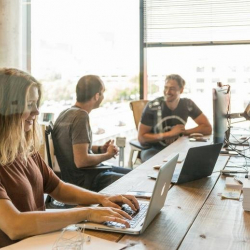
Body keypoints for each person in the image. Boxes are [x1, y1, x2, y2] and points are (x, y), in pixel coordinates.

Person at [0, 68, 139, 248]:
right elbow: (14, 225)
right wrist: (87, 213)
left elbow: (58, 187)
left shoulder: (26, 150)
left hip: (40, 243)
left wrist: (101, 199)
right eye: (29, 104)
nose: (36, 112)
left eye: (36, 103)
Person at [52, 75, 131, 192]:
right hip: (86, 181)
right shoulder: (81, 116)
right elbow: (81, 161)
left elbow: (74, 149)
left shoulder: (65, 113)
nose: (103, 97)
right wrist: (107, 155)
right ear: (96, 96)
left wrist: (100, 149)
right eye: (102, 93)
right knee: (134, 179)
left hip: (76, 178)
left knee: (133, 173)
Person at [138, 74, 212, 162]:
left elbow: (207, 128)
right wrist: (170, 134)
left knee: (199, 161)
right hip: (154, 150)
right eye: (166, 87)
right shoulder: (153, 106)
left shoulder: (188, 104)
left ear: (181, 90)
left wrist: (182, 132)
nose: (167, 92)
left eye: (172, 88)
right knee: (164, 167)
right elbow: (141, 138)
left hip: (178, 148)